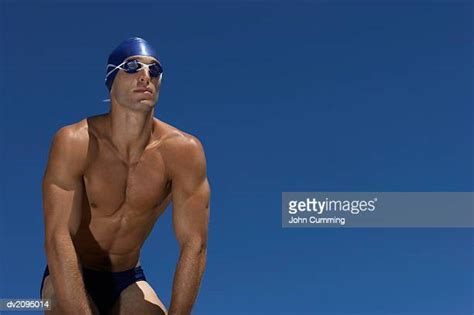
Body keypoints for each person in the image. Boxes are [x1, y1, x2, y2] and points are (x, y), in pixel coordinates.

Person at [40, 37, 210, 315]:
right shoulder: (74, 141)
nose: (145, 76)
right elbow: (58, 237)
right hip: (71, 271)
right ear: (111, 79)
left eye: (154, 71)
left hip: (128, 277)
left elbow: (194, 243)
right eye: (132, 67)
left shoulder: (183, 152)